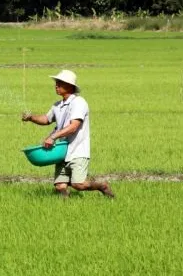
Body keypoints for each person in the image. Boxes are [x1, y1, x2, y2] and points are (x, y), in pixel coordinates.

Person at [21, 70, 115, 199]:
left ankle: (102, 186)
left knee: (78, 184)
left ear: (70, 86)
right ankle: (65, 208)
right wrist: (31, 118)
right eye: (56, 83)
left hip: (77, 150)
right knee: (60, 185)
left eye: (60, 83)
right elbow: (46, 119)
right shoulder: (57, 105)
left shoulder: (79, 103)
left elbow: (73, 127)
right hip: (61, 151)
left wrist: (53, 137)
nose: (56, 86)